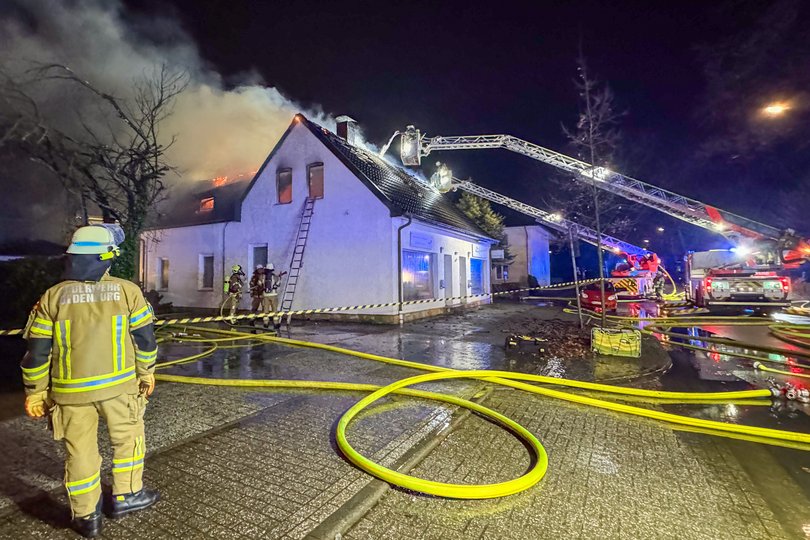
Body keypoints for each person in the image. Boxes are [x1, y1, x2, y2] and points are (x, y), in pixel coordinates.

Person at [21, 224, 160, 538]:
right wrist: (146, 373)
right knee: (128, 440)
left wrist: (35, 392)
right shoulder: (128, 291)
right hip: (121, 389)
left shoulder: (52, 297)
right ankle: (127, 496)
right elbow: (146, 340)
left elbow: (37, 352)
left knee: (80, 453)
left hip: (70, 394)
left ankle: (86, 517)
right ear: (107, 257)